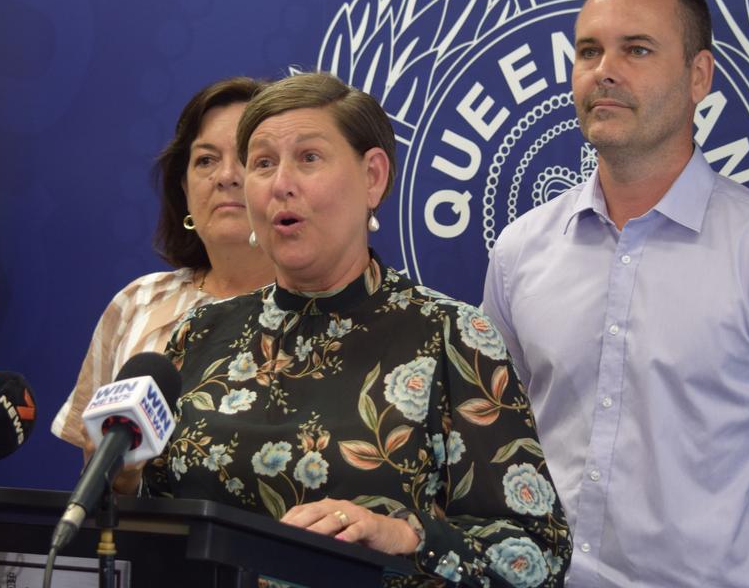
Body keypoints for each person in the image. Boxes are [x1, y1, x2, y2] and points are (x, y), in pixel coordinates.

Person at [482, 0, 749, 587]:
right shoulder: (520, 252)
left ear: (699, 76)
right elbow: (496, 440)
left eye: (636, 49)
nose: (604, 71)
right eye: (589, 51)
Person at [142, 72, 571, 587]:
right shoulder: (201, 331)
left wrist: (407, 538)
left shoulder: (451, 337)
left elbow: (537, 555)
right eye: (263, 163)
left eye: (308, 158)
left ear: (373, 177)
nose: (281, 183)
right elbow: (156, 528)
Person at [52, 77, 276, 456]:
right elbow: (95, 467)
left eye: (248, 158)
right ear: (184, 190)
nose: (225, 177)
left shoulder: (321, 308)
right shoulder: (138, 302)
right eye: (205, 160)